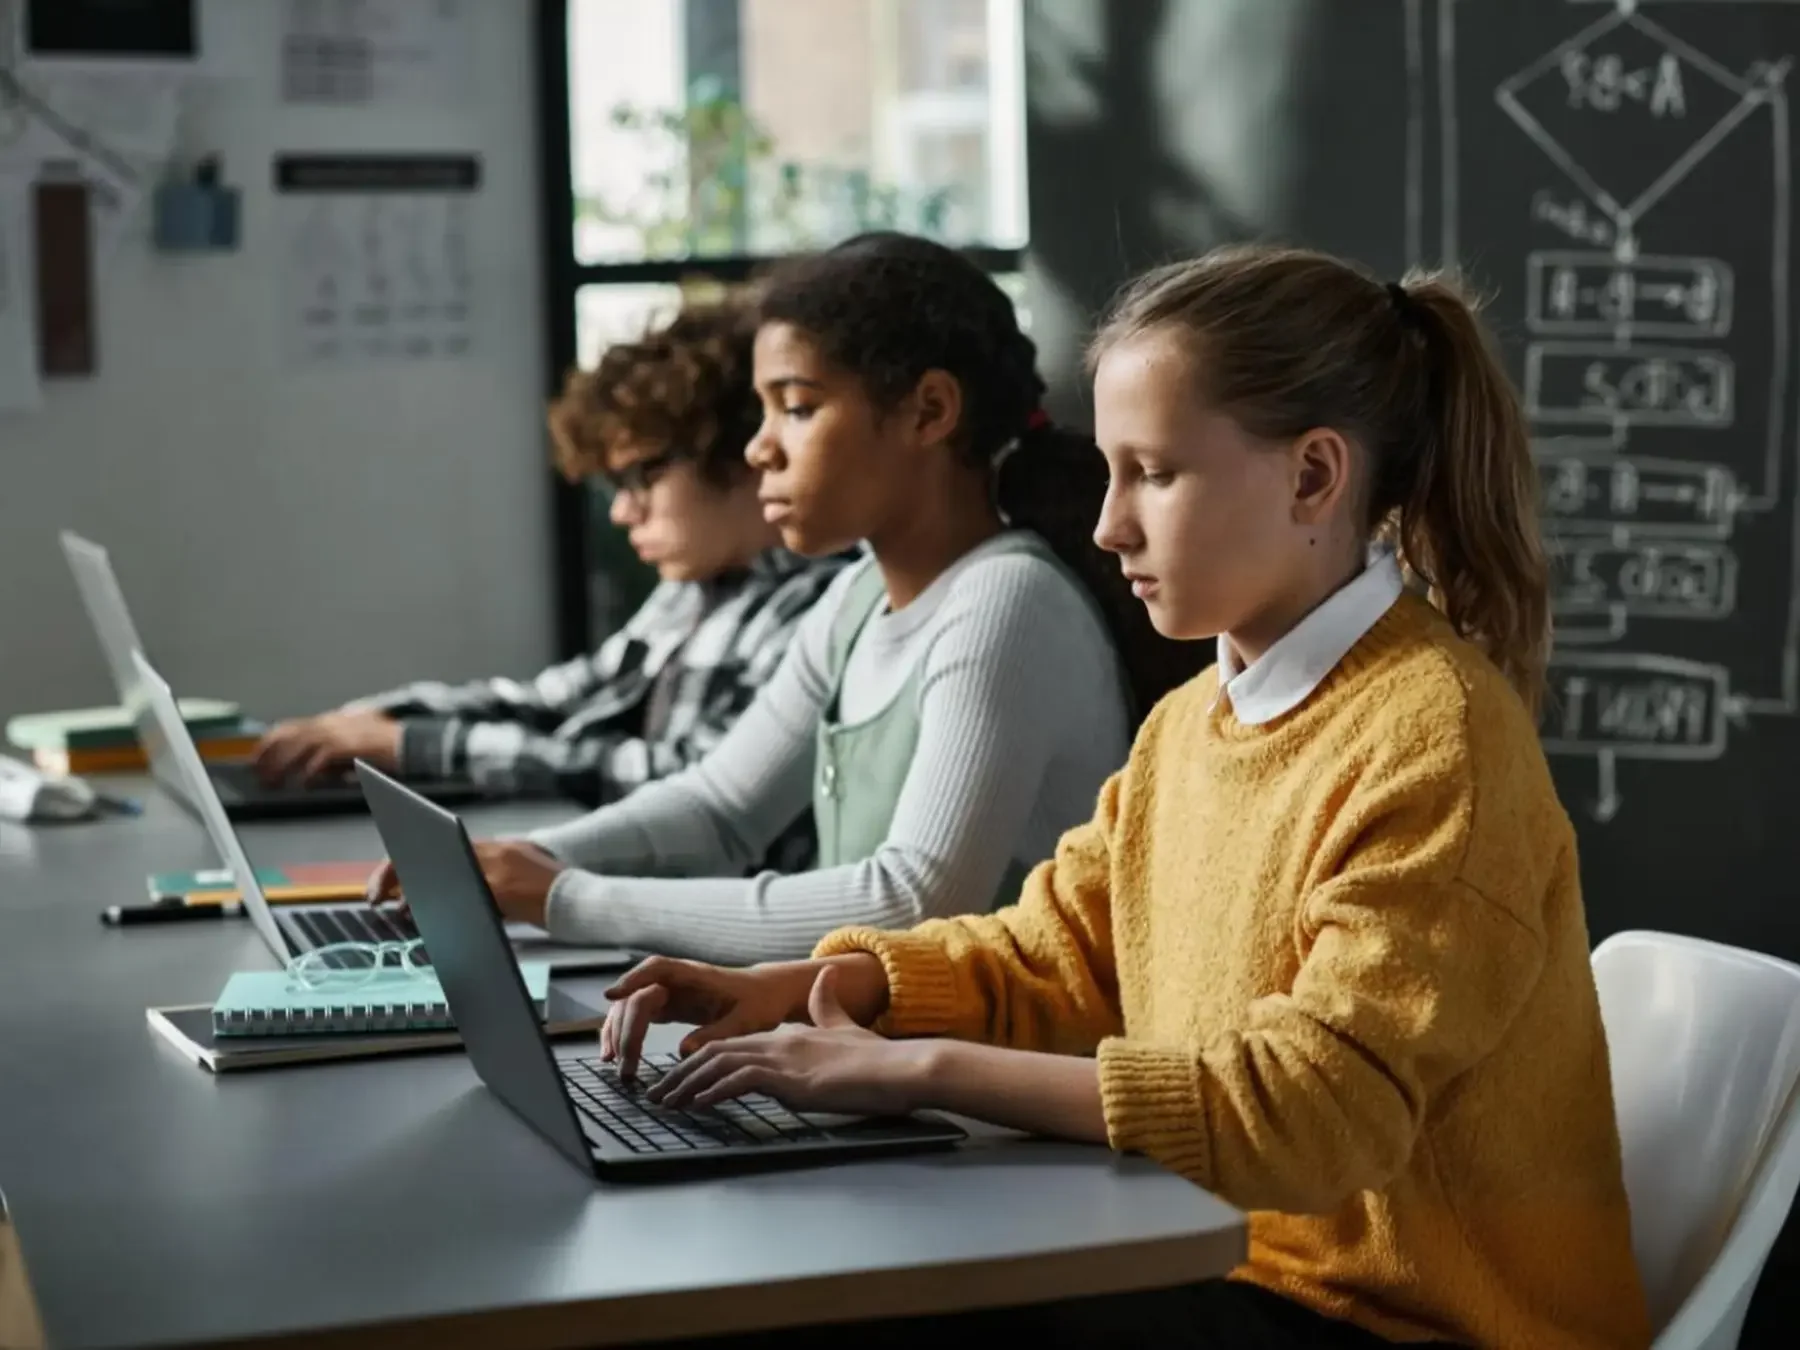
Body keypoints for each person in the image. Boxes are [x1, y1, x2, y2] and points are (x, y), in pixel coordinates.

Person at [594, 245, 1652, 1350]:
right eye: (1110, 472)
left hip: (1408, 1324)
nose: (1107, 526)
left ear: (1312, 477)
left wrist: (914, 1069)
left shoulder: (1440, 737)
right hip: (1230, 1263)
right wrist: (822, 984)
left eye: (1154, 473)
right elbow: (1058, 956)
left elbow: (1312, 1117)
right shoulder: (1194, 724)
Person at [371, 232, 1205, 965]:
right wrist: (510, 861)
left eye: (798, 408)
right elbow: (720, 809)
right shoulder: (853, 601)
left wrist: (563, 899)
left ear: (929, 412)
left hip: (992, 1106)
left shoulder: (1005, 602)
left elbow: (910, 903)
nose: (759, 447)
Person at [254, 298, 847, 849]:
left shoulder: (814, 604)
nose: (622, 510)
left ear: (737, 456)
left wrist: (412, 747)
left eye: (642, 477)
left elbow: (686, 781)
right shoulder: (691, 595)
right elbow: (552, 701)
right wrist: (369, 723)